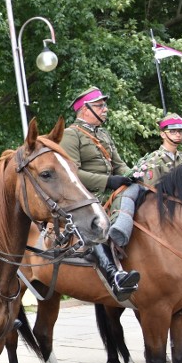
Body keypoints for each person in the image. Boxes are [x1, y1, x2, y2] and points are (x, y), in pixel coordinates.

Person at [59, 86, 139, 301]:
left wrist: (132, 176)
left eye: (104, 105)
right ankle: (114, 276)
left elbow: (119, 164)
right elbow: (72, 173)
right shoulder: (70, 134)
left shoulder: (103, 134)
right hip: (86, 197)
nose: (105, 109)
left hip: (110, 191)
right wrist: (108, 181)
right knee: (95, 225)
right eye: (99, 105)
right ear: (84, 109)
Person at [131, 113, 182, 185]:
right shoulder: (153, 160)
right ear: (163, 134)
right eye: (172, 131)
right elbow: (153, 192)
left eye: (180, 131)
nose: (178, 134)